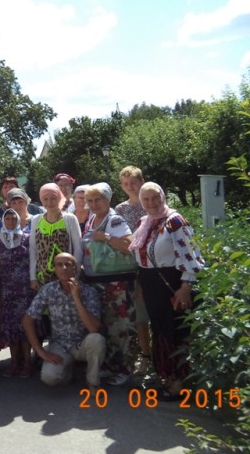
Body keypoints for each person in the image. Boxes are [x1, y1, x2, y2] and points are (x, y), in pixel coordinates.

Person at [129, 182, 204, 400]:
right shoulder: (145, 222)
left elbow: (191, 255)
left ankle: (179, 383)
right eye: (146, 199)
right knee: (161, 330)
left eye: (155, 198)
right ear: (141, 202)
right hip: (152, 283)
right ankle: (168, 376)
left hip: (173, 282)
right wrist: (143, 285)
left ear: (163, 197)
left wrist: (185, 286)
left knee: (176, 331)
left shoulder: (175, 222)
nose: (151, 203)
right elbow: (142, 258)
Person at [22, 253, 106, 388]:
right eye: (59, 265)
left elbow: (93, 328)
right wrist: (40, 351)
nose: (64, 268)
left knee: (97, 339)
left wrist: (77, 298)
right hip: (59, 345)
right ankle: (69, 372)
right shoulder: (48, 290)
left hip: (82, 345)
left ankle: (93, 382)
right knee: (49, 378)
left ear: (75, 268)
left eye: (68, 264)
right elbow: (27, 320)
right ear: (55, 269)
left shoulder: (88, 291)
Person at [80, 183, 134, 386]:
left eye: (98, 200)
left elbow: (129, 246)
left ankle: (123, 369)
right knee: (106, 327)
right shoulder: (94, 218)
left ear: (108, 200)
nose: (94, 204)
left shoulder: (115, 220)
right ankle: (110, 366)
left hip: (115, 284)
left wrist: (106, 237)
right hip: (98, 283)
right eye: (90, 201)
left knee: (119, 328)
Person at [115, 166, 152, 373]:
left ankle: (158, 355)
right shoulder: (120, 209)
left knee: (154, 311)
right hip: (130, 267)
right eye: (125, 183)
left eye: (133, 183)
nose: (130, 187)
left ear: (141, 181)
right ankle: (144, 355)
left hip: (153, 266)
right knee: (138, 315)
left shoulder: (151, 203)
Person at [0, 209, 32, 378]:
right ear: (3, 221)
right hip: (6, 292)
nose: (11, 221)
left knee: (26, 327)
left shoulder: (27, 239)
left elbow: (33, 262)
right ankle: (15, 363)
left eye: (14, 218)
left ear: (19, 219)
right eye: (8, 218)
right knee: (12, 328)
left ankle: (27, 363)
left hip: (25, 291)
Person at [29, 183, 83, 290]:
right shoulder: (36, 220)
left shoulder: (70, 219)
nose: (49, 202)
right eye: (45, 199)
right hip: (42, 277)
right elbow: (33, 249)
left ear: (59, 198)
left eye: (53, 198)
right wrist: (33, 277)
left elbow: (78, 248)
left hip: (65, 276)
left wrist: (74, 275)